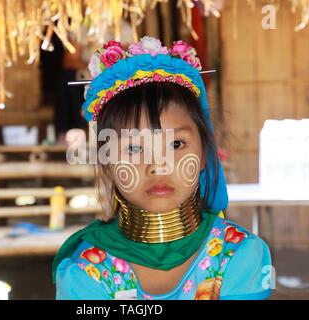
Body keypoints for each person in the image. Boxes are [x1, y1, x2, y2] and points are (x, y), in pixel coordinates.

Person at [51, 36, 273, 300]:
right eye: (134, 148)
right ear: (108, 163)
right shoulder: (86, 273)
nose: (158, 165)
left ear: (204, 154)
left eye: (176, 143)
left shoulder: (238, 256)